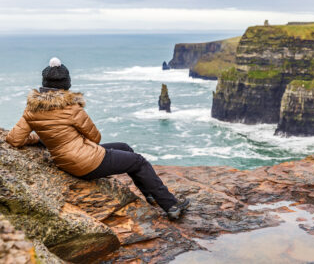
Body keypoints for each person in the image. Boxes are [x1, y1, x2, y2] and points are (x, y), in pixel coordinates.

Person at [5, 57, 189, 220]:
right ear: (66, 84)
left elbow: (14, 139)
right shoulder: (72, 108)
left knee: (124, 147)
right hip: (87, 163)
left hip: (66, 162)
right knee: (139, 161)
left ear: (44, 84)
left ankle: (150, 194)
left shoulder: (32, 109)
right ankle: (171, 206)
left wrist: (39, 138)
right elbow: (95, 138)